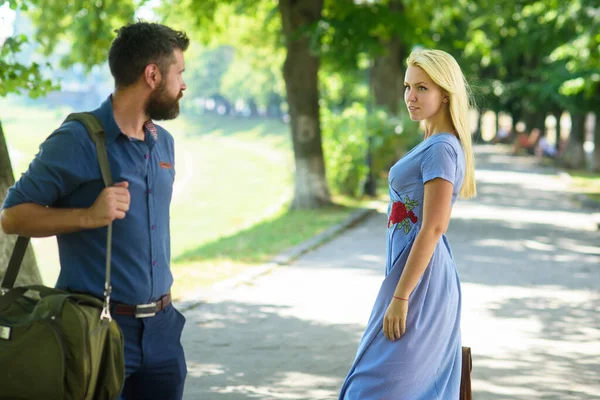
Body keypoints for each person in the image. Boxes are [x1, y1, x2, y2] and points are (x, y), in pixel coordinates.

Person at [0, 22, 189, 400]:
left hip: (163, 330)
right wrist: (86, 216)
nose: (184, 84)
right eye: (179, 73)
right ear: (152, 75)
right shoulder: (78, 139)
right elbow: (12, 215)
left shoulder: (162, 142)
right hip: (95, 329)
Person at [338, 49, 476, 399]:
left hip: (419, 282)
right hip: (411, 274)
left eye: (422, 88)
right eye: (407, 86)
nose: (410, 97)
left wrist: (401, 295)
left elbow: (433, 227)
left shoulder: (442, 148)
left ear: (445, 93)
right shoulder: (432, 143)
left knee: (374, 386)